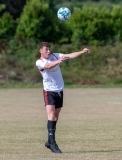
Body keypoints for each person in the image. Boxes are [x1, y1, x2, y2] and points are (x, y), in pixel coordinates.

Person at [36, 42, 90, 154]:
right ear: (40, 50)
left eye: (49, 49)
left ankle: (49, 141)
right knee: (51, 115)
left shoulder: (55, 55)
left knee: (55, 117)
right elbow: (48, 66)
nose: (49, 51)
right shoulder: (40, 62)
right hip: (49, 91)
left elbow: (70, 55)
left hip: (59, 90)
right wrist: (58, 61)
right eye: (46, 49)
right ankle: (53, 143)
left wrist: (82, 52)